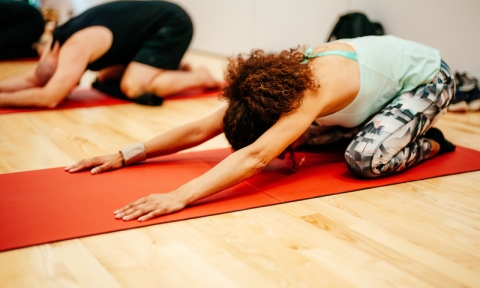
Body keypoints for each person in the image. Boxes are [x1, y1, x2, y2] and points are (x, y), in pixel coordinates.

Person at [65, 35, 456, 221]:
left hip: (429, 79)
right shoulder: (264, 94)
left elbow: (254, 156)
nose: (283, 153)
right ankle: (378, 127)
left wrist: (179, 196)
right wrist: (125, 154)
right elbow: (199, 128)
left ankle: (432, 142)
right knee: (320, 142)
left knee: (364, 157)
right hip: (378, 86)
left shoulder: (310, 93)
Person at [0, 0, 220, 107]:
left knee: (132, 87)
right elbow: (33, 78)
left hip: (172, 23)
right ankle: (175, 67)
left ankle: (199, 76)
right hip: (143, 32)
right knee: (106, 78)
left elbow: (49, 98)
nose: (72, 85)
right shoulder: (54, 45)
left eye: (66, 80)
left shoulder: (74, 48)